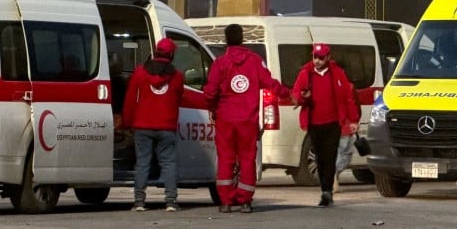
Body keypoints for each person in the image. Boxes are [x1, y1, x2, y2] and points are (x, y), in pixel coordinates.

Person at [205, 23, 290, 213]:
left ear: (226, 39)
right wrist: (288, 93)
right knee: (247, 159)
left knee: (225, 159)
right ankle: (245, 201)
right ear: (242, 38)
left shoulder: (220, 63)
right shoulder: (255, 61)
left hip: (225, 119)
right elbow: (270, 83)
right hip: (248, 120)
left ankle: (226, 202)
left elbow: (210, 91)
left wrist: (212, 108)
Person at [292, 43, 360, 207]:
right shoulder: (305, 74)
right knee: (320, 158)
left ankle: (327, 192)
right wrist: (303, 97)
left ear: (328, 57)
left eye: (321, 58)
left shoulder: (337, 73)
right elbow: (295, 96)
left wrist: (353, 120)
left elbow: (348, 97)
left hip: (333, 123)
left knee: (330, 157)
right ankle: (325, 188)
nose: (317, 61)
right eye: (315, 57)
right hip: (314, 124)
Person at [122, 37, 185, 212]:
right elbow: (179, 99)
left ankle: (139, 201)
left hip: (142, 126)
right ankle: (171, 201)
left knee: (142, 163)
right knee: (169, 163)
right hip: (167, 126)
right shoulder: (177, 76)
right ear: (171, 55)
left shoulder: (140, 72)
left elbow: (130, 100)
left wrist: (127, 122)